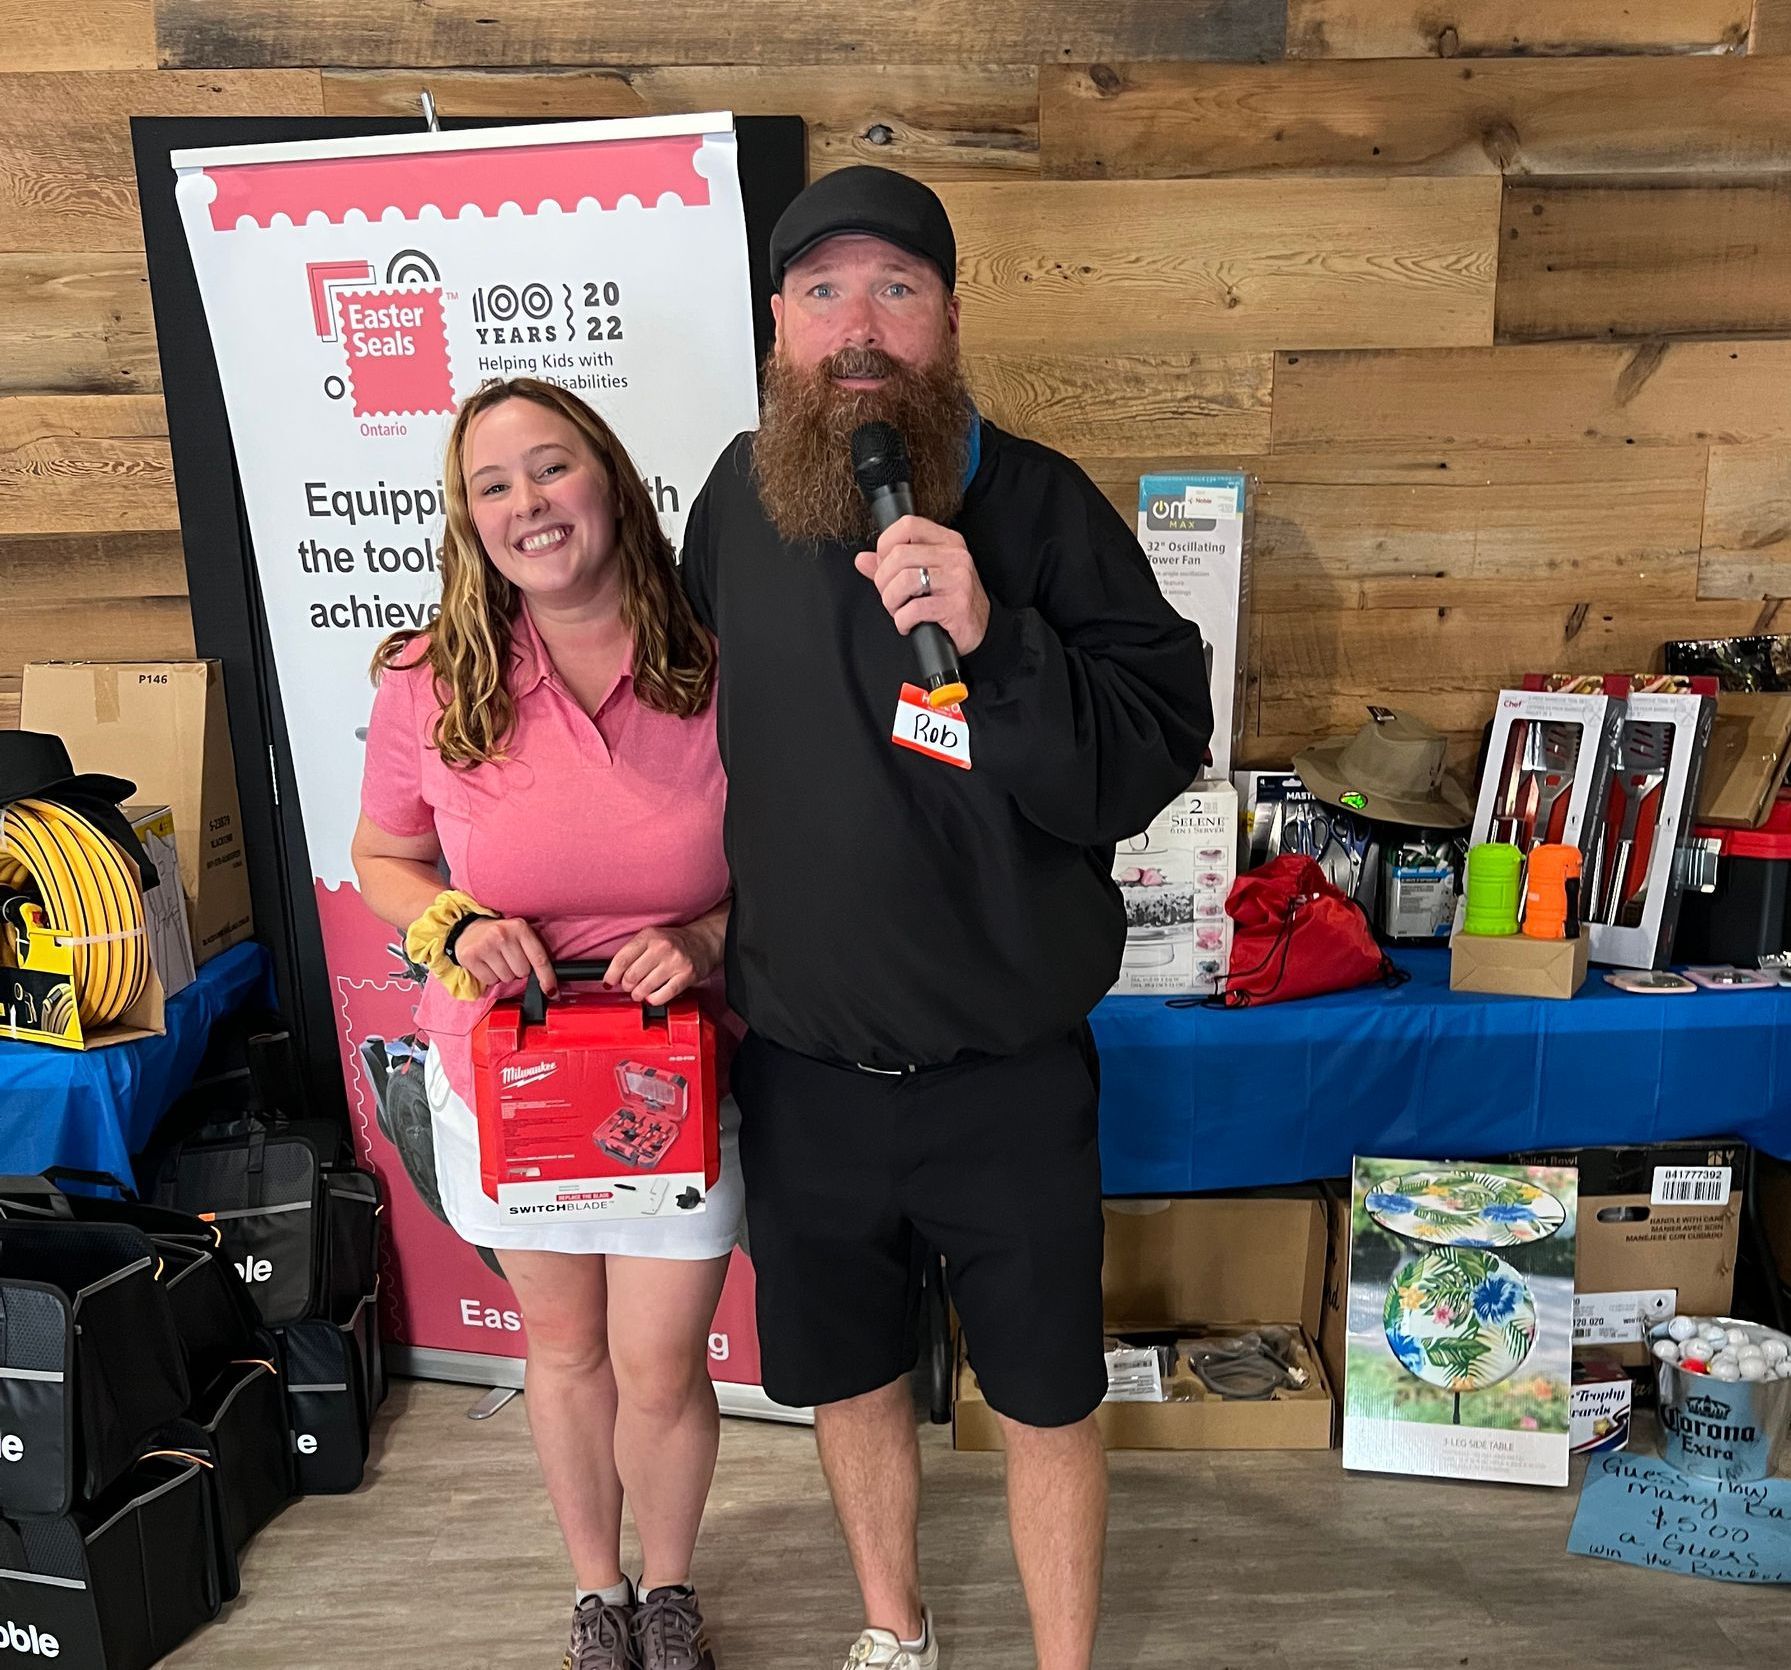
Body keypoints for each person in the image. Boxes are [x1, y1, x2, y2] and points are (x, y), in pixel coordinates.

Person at [680, 168, 1213, 1670]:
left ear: (950, 320)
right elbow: (679, 710)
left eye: (897, 289)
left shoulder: (1041, 506)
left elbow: (1154, 747)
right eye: (825, 292)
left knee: (1045, 1393)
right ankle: (893, 1628)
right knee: (849, 1380)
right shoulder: (734, 503)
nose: (859, 325)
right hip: (806, 1069)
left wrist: (995, 637)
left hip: (1006, 1077)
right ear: (779, 325)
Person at [353, 377, 737, 1670]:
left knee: (662, 1364)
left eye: (551, 467)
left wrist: (706, 938)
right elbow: (384, 857)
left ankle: (669, 1592)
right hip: (505, 1079)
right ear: (469, 518)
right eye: (492, 484)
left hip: (676, 1078)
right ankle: (597, 1596)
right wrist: (455, 924)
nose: (527, 502)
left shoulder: (720, 661)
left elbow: (792, 862)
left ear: (611, 479)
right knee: (565, 1351)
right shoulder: (429, 677)